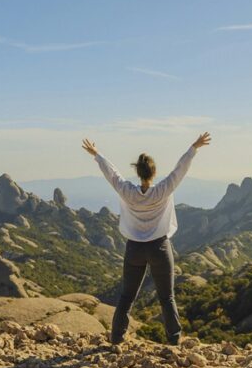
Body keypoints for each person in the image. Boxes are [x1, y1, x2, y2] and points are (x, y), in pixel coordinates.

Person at [81, 132, 212, 345]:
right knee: (166, 297)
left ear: (138, 172)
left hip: (134, 249)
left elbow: (112, 174)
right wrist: (194, 147)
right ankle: (174, 341)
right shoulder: (162, 190)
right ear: (154, 172)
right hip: (159, 247)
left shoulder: (127, 191)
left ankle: (116, 339)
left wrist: (96, 154)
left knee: (126, 296)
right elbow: (180, 170)